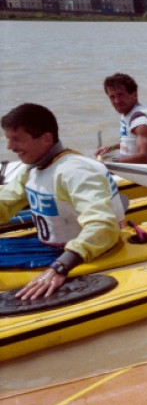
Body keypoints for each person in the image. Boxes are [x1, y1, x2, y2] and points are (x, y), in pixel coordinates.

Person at [1, 103, 126, 300]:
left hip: (86, 251)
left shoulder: (75, 171)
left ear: (46, 138)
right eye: (8, 140)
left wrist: (60, 267)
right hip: (49, 246)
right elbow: (5, 204)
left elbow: (103, 226)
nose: (10, 147)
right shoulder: (33, 169)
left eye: (16, 139)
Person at [94, 73, 147, 164]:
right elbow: (133, 142)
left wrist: (111, 162)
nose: (117, 101)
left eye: (121, 95)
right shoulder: (131, 112)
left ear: (134, 95)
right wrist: (111, 148)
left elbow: (144, 158)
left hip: (146, 171)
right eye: (112, 97)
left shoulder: (140, 120)